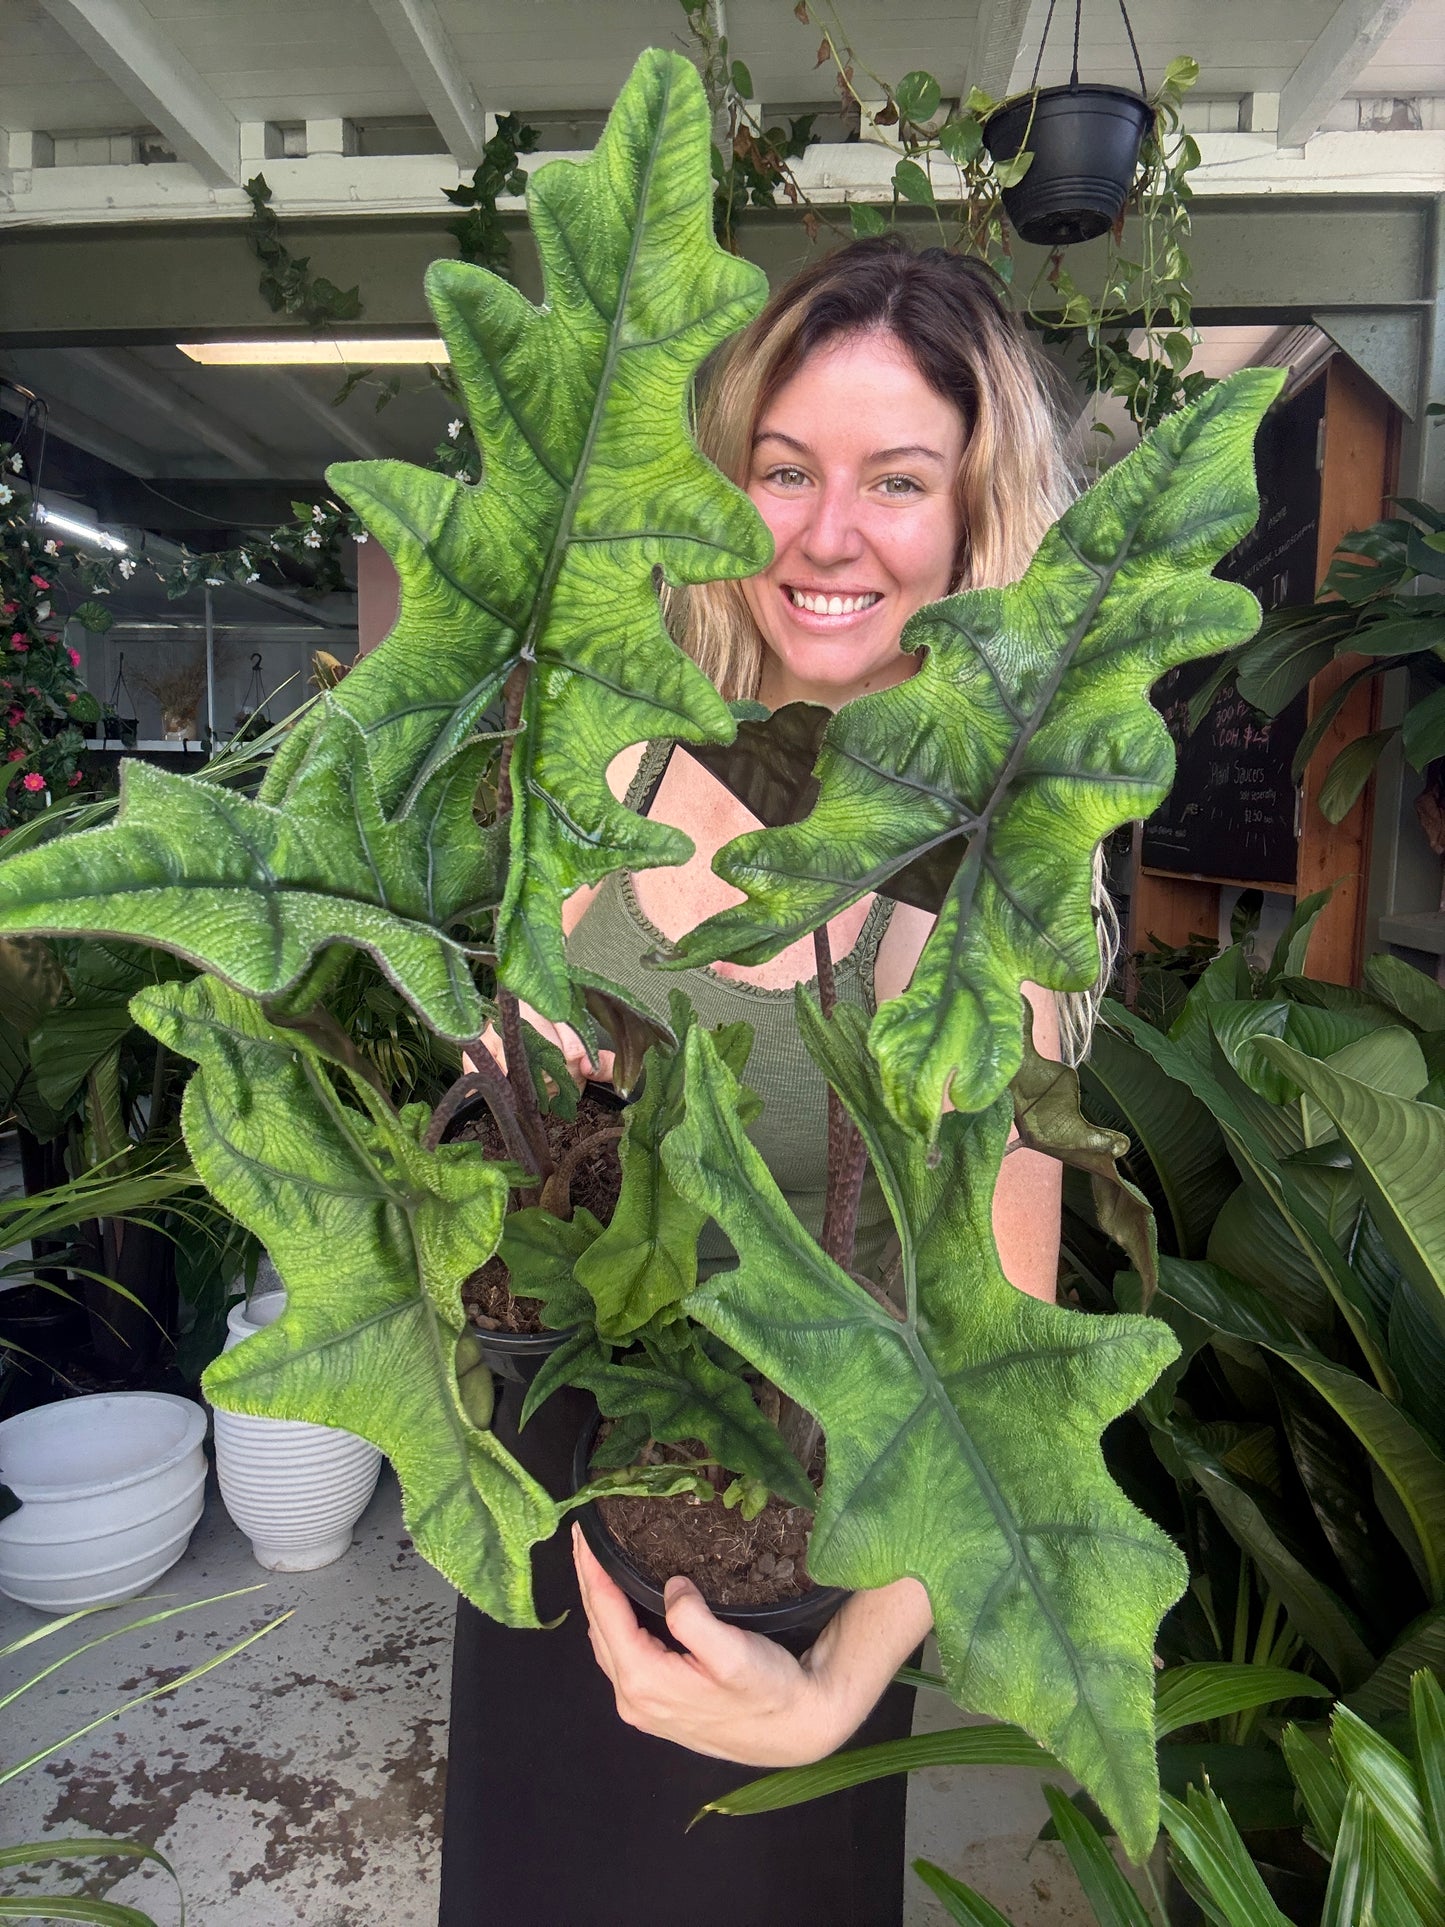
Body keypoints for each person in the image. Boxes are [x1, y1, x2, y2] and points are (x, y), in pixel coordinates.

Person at [440, 236, 1113, 1926]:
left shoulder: (1000, 895)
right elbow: (494, 1128)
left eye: (898, 481)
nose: (826, 536)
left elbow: (992, 1365)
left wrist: (826, 1698)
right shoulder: (602, 766)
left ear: (974, 524)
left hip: (788, 1609)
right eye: (783, 471)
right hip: (545, 1546)